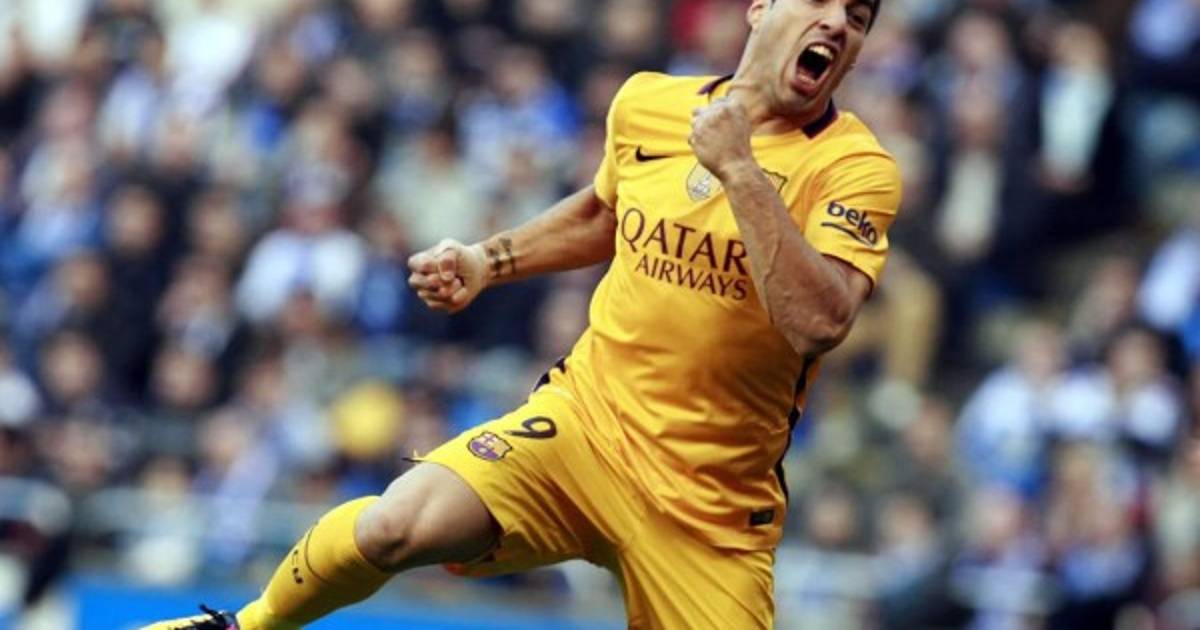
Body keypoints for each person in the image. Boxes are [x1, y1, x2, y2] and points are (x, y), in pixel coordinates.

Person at [144, 0, 897, 627]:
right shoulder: (649, 104)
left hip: (711, 503)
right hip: (585, 427)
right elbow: (603, 213)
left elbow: (820, 321)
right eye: (821, 0)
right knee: (397, 524)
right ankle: (246, 625)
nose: (838, 23)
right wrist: (488, 261)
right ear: (761, 8)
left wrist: (739, 169)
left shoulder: (855, 169)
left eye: (859, 17)